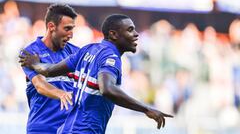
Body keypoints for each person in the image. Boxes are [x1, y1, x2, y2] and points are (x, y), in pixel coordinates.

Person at [19, 14, 173, 134]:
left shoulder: (87, 49)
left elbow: (50, 70)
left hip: (67, 129)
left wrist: (35, 64)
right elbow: (107, 89)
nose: (136, 34)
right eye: (130, 30)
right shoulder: (110, 57)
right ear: (113, 34)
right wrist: (146, 109)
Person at [19, 4, 80, 133]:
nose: (71, 35)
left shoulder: (76, 53)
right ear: (51, 26)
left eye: (72, 29)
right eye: (67, 29)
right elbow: (40, 85)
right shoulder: (30, 52)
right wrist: (61, 94)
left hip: (69, 129)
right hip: (42, 128)